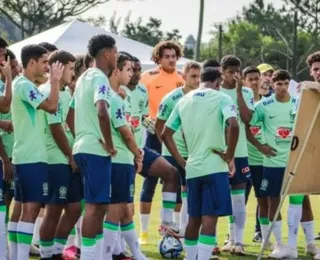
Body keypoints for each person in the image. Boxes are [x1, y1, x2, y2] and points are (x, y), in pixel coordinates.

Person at [161, 67, 239, 260]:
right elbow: (234, 125)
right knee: (210, 218)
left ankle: (191, 257)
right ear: (218, 82)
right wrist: (229, 155)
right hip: (214, 167)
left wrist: (181, 160)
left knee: (193, 219)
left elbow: (165, 133)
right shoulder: (223, 98)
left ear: (200, 80)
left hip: (192, 169)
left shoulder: (183, 101)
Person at [8, 44, 63, 260]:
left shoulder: (24, 85)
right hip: (31, 158)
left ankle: (15, 256)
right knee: (30, 211)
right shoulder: (24, 85)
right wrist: (56, 81)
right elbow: (51, 106)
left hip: (27, 156)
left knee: (23, 211)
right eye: (44, 62)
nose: (47, 67)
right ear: (32, 63)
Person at [72, 34, 117, 260]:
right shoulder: (100, 77)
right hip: (94, 149)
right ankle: (89, 256)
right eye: (116, 52)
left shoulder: (82, 78)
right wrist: (109, 143)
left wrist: (79, 136)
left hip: (82, 146)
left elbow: (71, 112)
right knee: (93, 206)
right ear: (107, 54)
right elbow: (102, 110)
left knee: (98, 206)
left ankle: (96, 255)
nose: (117, 57)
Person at [37, 50, 83, 260]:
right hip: (55, 160)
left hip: (68, 158)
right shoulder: (48, 90)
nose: (73, 73)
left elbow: (67, 124)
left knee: (74, 208)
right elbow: (56, 128)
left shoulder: (65, 92)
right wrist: (70, 156)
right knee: (53, 211)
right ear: (59, 68)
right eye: (71, 68)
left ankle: (57, 250)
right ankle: (47, 254)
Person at [139, 40, 184, 244]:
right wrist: (145, 119)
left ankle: (172, 226)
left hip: (174, 136)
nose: (171, 60)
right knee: (149, 183)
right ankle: (144, 232)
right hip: (152, 134)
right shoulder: (147, 77)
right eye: (167, 56)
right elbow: (137, 104)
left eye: (174, 56)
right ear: (158, 58)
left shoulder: (182, 78)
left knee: (176, 179)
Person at [249, 69, 297, 258]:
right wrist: (261, 147)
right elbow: (249, 127)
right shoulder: (263, 105)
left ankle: (293, 246)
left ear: (289, 84)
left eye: (286, 83)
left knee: (297, 201)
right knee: (271, 201)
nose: (283, 88)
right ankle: (279, 245)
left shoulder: (298, 103)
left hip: (294, 162)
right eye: (279, 84)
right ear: (273, 85)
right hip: (271, 163)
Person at [102, 53, 145, 260]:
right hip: (119, 160)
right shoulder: (112, 98)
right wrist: (138, 154)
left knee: (126, 209)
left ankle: (135, 253)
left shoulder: (118, 96)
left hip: (123, 160)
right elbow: (125, 133)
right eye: (128, 69)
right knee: (116, 208)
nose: (132, 73)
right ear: (117, 71)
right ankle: (107, 254)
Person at [155, 61, 201, 233]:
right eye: (193, 76)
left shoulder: (203, 97)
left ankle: (184, 229)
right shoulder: (171, 98)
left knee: (189, 191)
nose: (197, 80)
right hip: (172, 152)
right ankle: (166, 225)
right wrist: (167, 147)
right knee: (171, 188)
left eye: (199, 77)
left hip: (194, 152)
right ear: (183, 76)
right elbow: (159, 125)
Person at [219, 55, 254, 255]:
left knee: (238, 199)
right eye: (230, 72)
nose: (234, 76)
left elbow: (247, 119)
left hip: (240, 152)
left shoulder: (246, 92)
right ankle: (226, 238)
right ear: (222, 72)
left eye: (236, 72)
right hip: (219, 154)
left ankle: (238, 241)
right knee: (218, 199)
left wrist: (240, 92)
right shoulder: (215, 92)